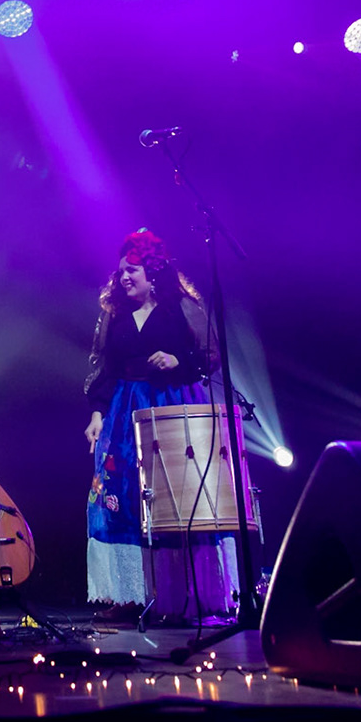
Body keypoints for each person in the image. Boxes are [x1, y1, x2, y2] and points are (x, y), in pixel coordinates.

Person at [82, 229, 238, 624]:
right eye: (120, 272)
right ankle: (131, 595)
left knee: (176, 497)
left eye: (131, 270)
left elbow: (210, 356)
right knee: (122, 497)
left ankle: (184, 595)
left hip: (172, 404)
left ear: (153, 272)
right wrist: (97, 415)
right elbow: (103, 368)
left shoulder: (180, 307)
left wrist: (178, 363)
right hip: (123, 412)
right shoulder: (113, 315)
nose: (123, 278)